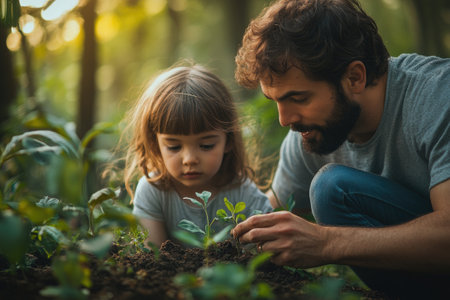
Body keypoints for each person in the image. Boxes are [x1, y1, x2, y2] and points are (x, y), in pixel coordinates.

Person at [232, 0, 450, 298]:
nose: (285, 120)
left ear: (354, 77)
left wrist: (327, 243)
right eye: (276, 101)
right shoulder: (312, 132)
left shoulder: (437, 98)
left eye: (299, 98)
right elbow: (268, 212)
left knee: (332, 188)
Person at [122, 64, 272, 248]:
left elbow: (267, 252)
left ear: (229, 141)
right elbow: (152, 258)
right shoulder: (153, 190)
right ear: (155, 144)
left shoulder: (243, 193)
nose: (189, 159)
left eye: (206, 145)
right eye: (174, 146)